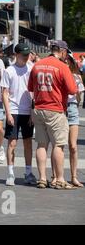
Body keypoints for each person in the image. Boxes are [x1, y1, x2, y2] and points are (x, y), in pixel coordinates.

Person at [28, 40, 77, 189]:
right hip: (55, 109)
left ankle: (42, 178)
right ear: (62, 51)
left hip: (39, 108)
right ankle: (60, 179)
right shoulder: (62, 66)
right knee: (58, 145)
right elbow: (72, 90)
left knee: (41, 145)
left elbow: (30, 87)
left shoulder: (37, 65)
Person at [1, 44, 37, 186]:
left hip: (28, 110)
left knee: (28, 142)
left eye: (28, 54)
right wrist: (8, 113)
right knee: (12, 143)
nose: (26, 57)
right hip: (14, 110)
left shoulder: (31, 69)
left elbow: (35, 91)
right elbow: (4, 93)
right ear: (16, 55)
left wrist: (32, 112)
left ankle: (28, 172)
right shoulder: (9, 71)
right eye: (23, 54)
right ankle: (10, 173)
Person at [64, 54, 84, 187]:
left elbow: (78, 99)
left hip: (71, 108)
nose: (65, 64)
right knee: (58, 145)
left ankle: (74, 176)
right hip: (59, 108)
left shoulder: (76, 77)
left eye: (67, 61)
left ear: (71, 63)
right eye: (63, 61)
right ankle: (56, 175)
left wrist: (76, 91)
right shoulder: (57, 74)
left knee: (73, 145)